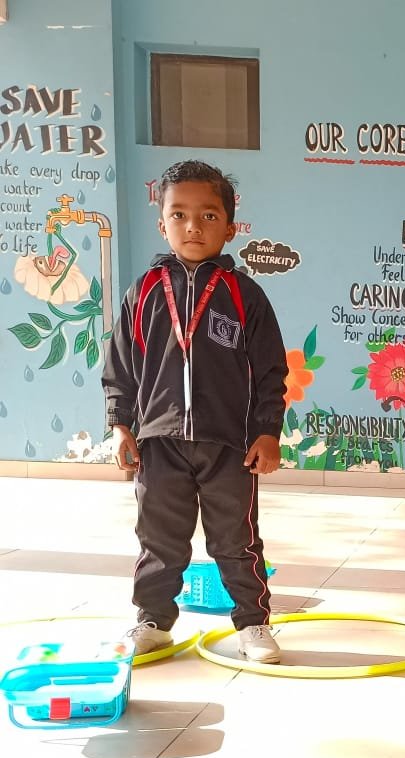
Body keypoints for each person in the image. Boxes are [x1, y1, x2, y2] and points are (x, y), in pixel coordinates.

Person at [102, 160, 288, 664]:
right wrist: (120, 425)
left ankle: (253, 624)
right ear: (161, 223)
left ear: (230, 227)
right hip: (158, 442)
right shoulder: (143, 292)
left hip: (229, 445)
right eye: (178, 214)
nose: (192, 226)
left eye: (208, 216)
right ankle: (153, 621)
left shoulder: (246, 296)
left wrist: (267, 432)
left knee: (236, 539)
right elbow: (119, 365)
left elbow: (271, 371)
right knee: (158, 538)